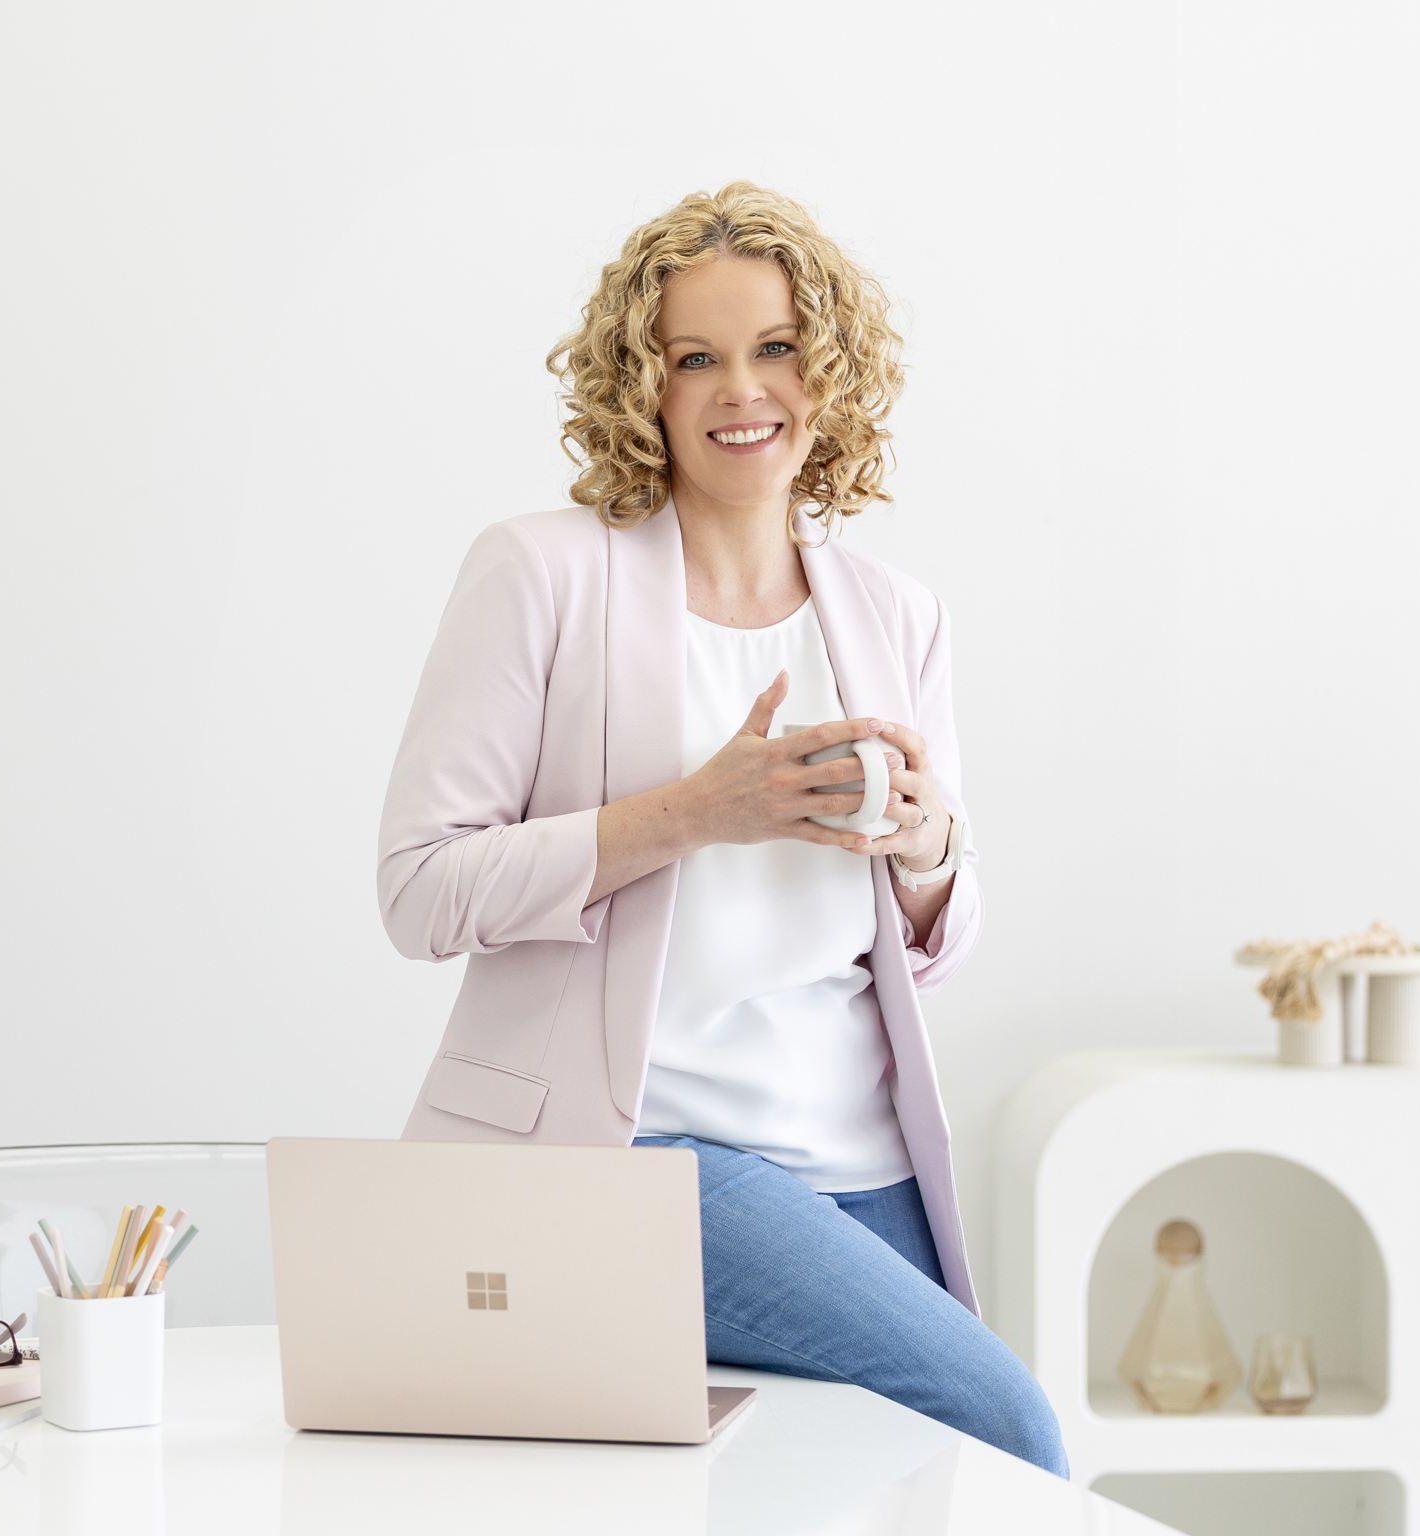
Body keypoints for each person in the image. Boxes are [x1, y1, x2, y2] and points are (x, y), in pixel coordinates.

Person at [378, 182, 1065, 1474]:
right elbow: (420, 890)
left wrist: (925, 846)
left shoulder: (890, 611)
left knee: (875, 1491)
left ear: (832, 370)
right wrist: (697, 811)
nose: (740, 389)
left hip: (865, 1160)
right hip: (646, 1145)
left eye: (775, 348)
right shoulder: (544, 572)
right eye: (695, 357)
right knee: (1004, 1425)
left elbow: (940, 936)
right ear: (643, 384)